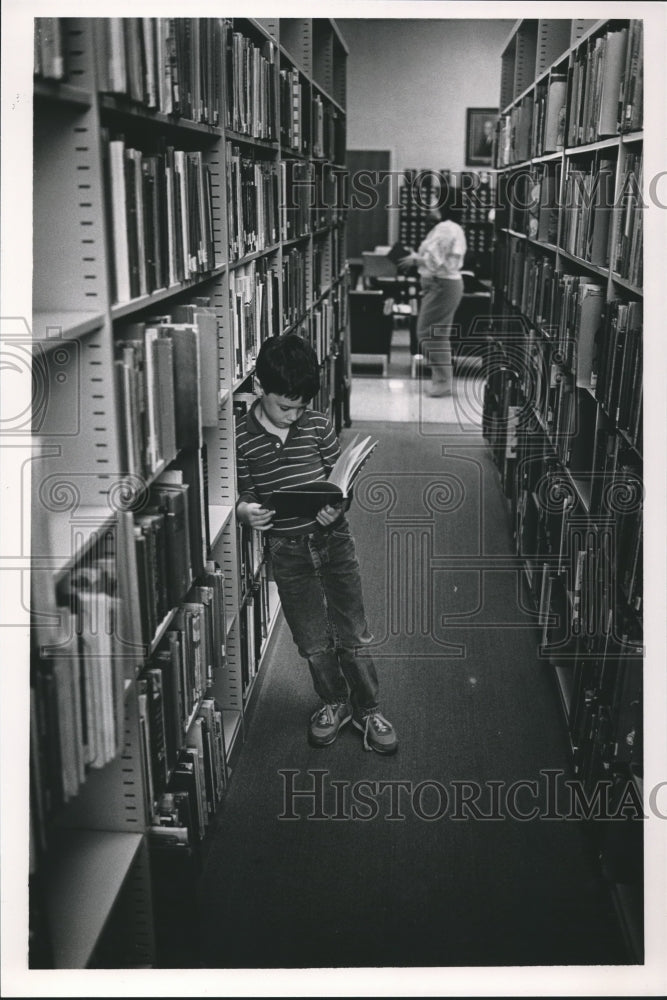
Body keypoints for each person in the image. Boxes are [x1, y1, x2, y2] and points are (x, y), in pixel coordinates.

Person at [235, 333, 398, 755]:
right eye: (284, 406)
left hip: (333, 542)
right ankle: (333, 701)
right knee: (311, 639)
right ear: (258, 387)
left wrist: (337, 507)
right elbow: (245, 493)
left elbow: (339, 483)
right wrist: (244, 513)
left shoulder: (319, 425)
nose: (293, 416)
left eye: (300, 407)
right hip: (287, 552)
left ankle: (368, 707)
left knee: (353, 632)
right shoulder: (241, 437)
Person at [400, 204, 467, 397]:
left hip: (442, 284)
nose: (430, 206)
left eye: (436, 201)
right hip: (441, 284)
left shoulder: (446, 227)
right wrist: (418, 257)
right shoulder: (450, 227)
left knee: (427, 332)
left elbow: (435, 259)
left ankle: (444, 381)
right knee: (436, 333)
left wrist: (414, 259)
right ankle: (441, 380)